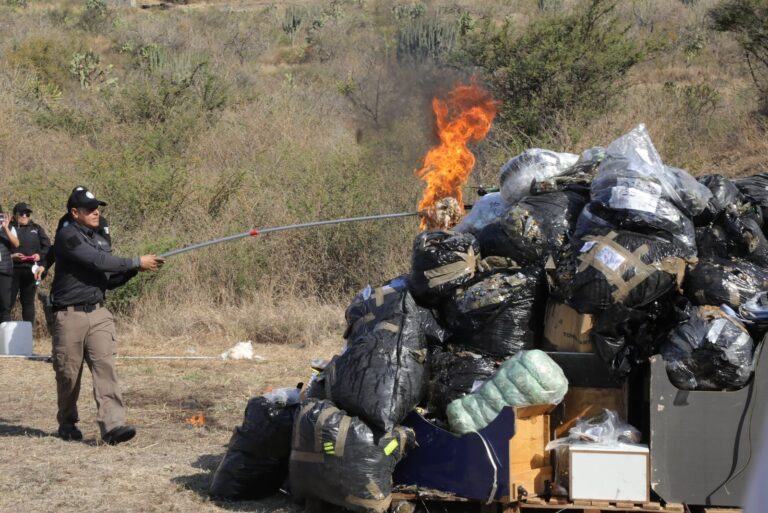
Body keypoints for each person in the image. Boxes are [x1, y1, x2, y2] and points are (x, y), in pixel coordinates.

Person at [51, 187, 164, 444]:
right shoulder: (67, 237)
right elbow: (96, 262)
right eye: (89, 209)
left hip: (99, 313)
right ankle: (67, 422)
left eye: (97, 208)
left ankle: (113, 426)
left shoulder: (98, 239)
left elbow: (109, 279)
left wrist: (136, 270)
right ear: (74, 212)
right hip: (70, 316)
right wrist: (135, 261)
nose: (96, 212)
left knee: (106, 368)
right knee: (68, 375)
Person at [10, 203, 51, 324]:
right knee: (7, 302)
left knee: (27, 302)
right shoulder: (8, 228)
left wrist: (40, 255)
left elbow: (47, 246)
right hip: (12, 270)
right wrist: (12, 256)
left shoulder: (36, 228)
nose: (24, 216)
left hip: (30, 270)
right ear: (15, 215)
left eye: (27, 214)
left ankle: (27, 334)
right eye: (21, 214)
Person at [0, 206, 20, 322]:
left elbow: (16, 244)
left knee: (5, 305)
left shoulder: (10, 228)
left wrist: (6, 228)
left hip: (5, 270)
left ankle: (4, 337)